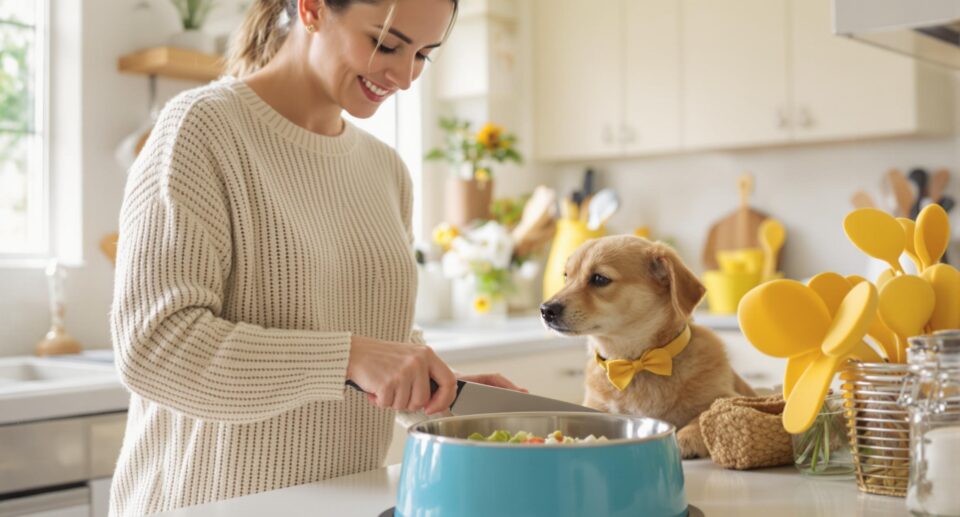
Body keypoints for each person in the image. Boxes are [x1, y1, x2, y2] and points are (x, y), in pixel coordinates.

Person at [109, 0, 523, 514]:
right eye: (386, 44)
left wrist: (439, 390)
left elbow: (365, 341)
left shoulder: (385, 170)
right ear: (311, 10)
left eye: (424, 55)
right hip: (208, 504)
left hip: (341, 502)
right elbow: (155, 348)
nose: (405, 76)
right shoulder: (202, 128)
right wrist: (350, 357)